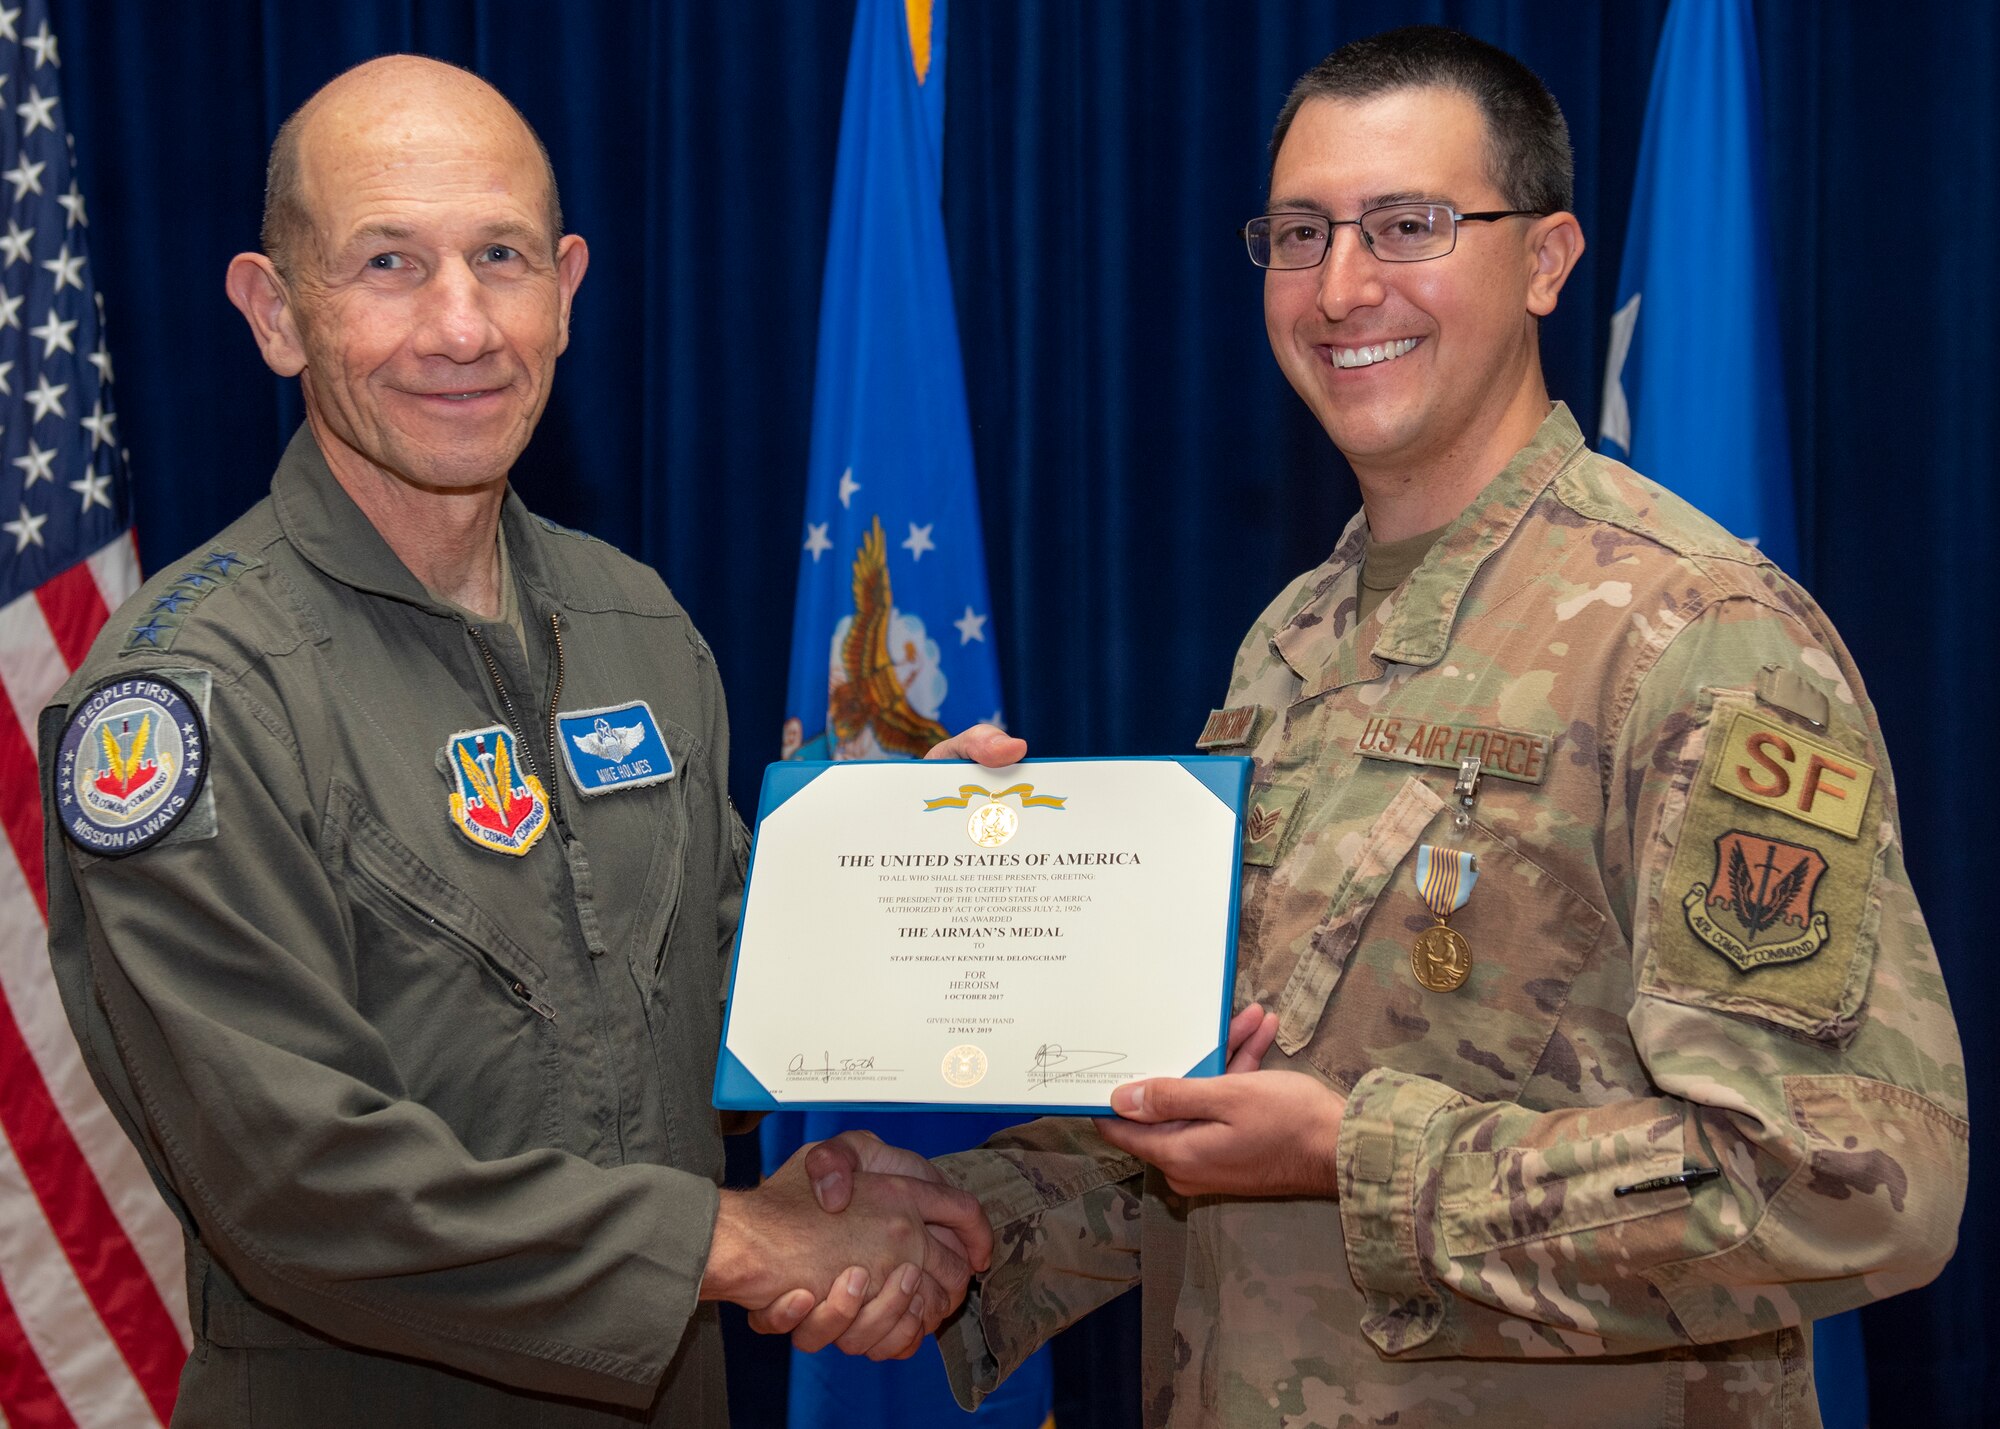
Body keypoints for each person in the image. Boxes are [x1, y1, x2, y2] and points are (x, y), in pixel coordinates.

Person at [804, 25, 1969, 1426]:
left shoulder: (1702, 636)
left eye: (1408, 225)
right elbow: (1240, 1101)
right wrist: (979, 1215)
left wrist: (1362, 1153)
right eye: (1300, 233)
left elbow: (1851, 1188)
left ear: (1545, 261)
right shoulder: (1292, 637)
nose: (1343, 287)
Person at [39, 55, 1006, 1426]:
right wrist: (742, 1242)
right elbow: (299, 1183)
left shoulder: (639, 626)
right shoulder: (186, 699)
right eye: (388, 262)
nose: (460, 325)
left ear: (566, 288)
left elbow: (727, 1010)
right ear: (275, 313)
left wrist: (928, 886)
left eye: (499, 257)